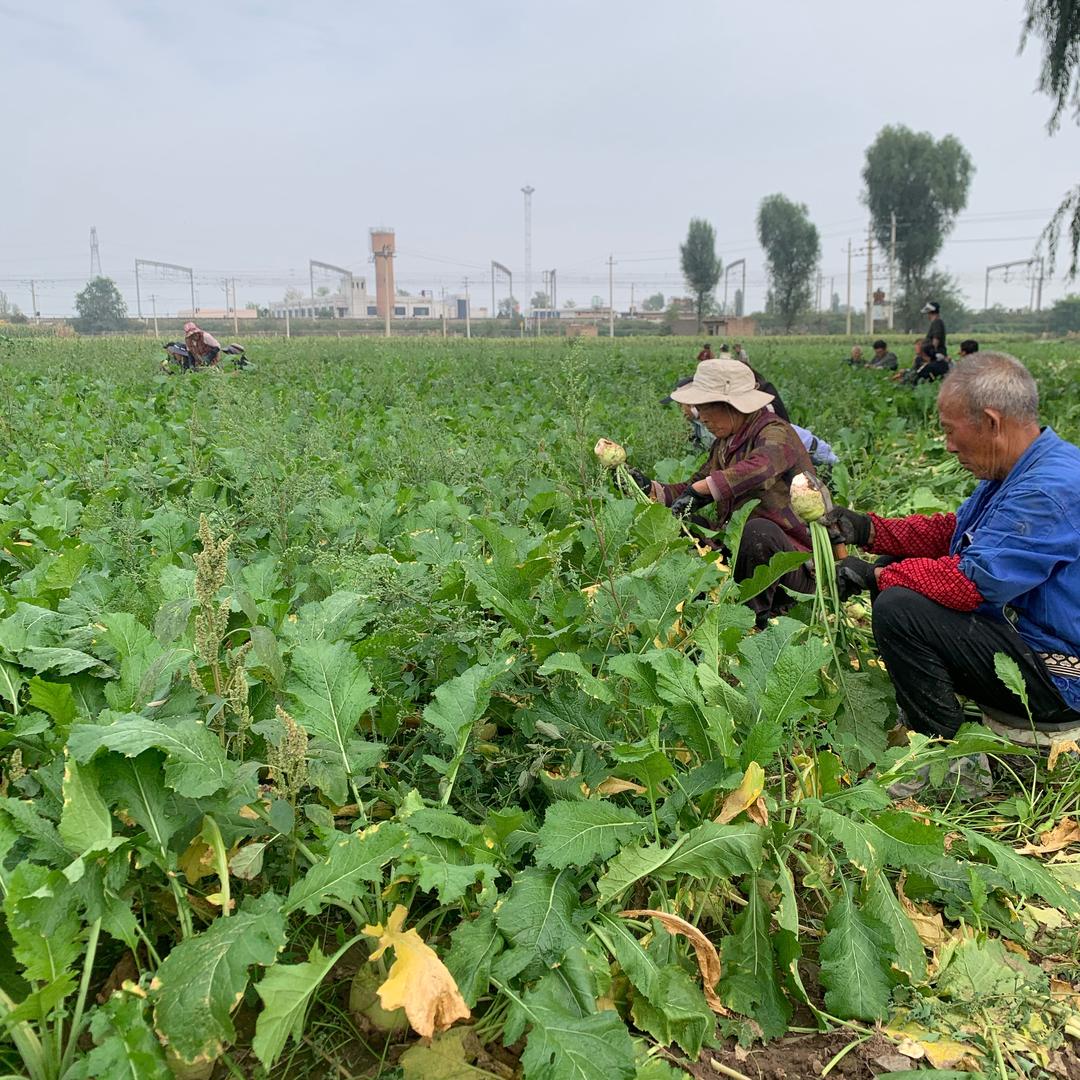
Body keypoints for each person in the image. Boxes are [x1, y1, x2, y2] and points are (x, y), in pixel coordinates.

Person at [822, 353, 1080, 790]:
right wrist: (869, 530)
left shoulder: (1048, 489)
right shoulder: (1021, 467)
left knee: (900, 605)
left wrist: (872, 578)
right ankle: (938, 729)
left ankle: (952, 765)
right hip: (1023, 644)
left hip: (1058, 679)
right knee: (897, 572)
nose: (948, 445)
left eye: (948, 430)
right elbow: (955, 534)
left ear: (992, 422)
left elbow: (970, 583)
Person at [635, 358, 816, 625]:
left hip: (791, 571)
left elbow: (762, 468)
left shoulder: (776, 433)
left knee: (758, 531)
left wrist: (706, 488)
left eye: (707, 407)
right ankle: (701, 603)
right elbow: (695, 483)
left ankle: (754, 623)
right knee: (687, 525)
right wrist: (651, 489)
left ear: (733, 405)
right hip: (740, 558)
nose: (702, 416)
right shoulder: (725, 442)